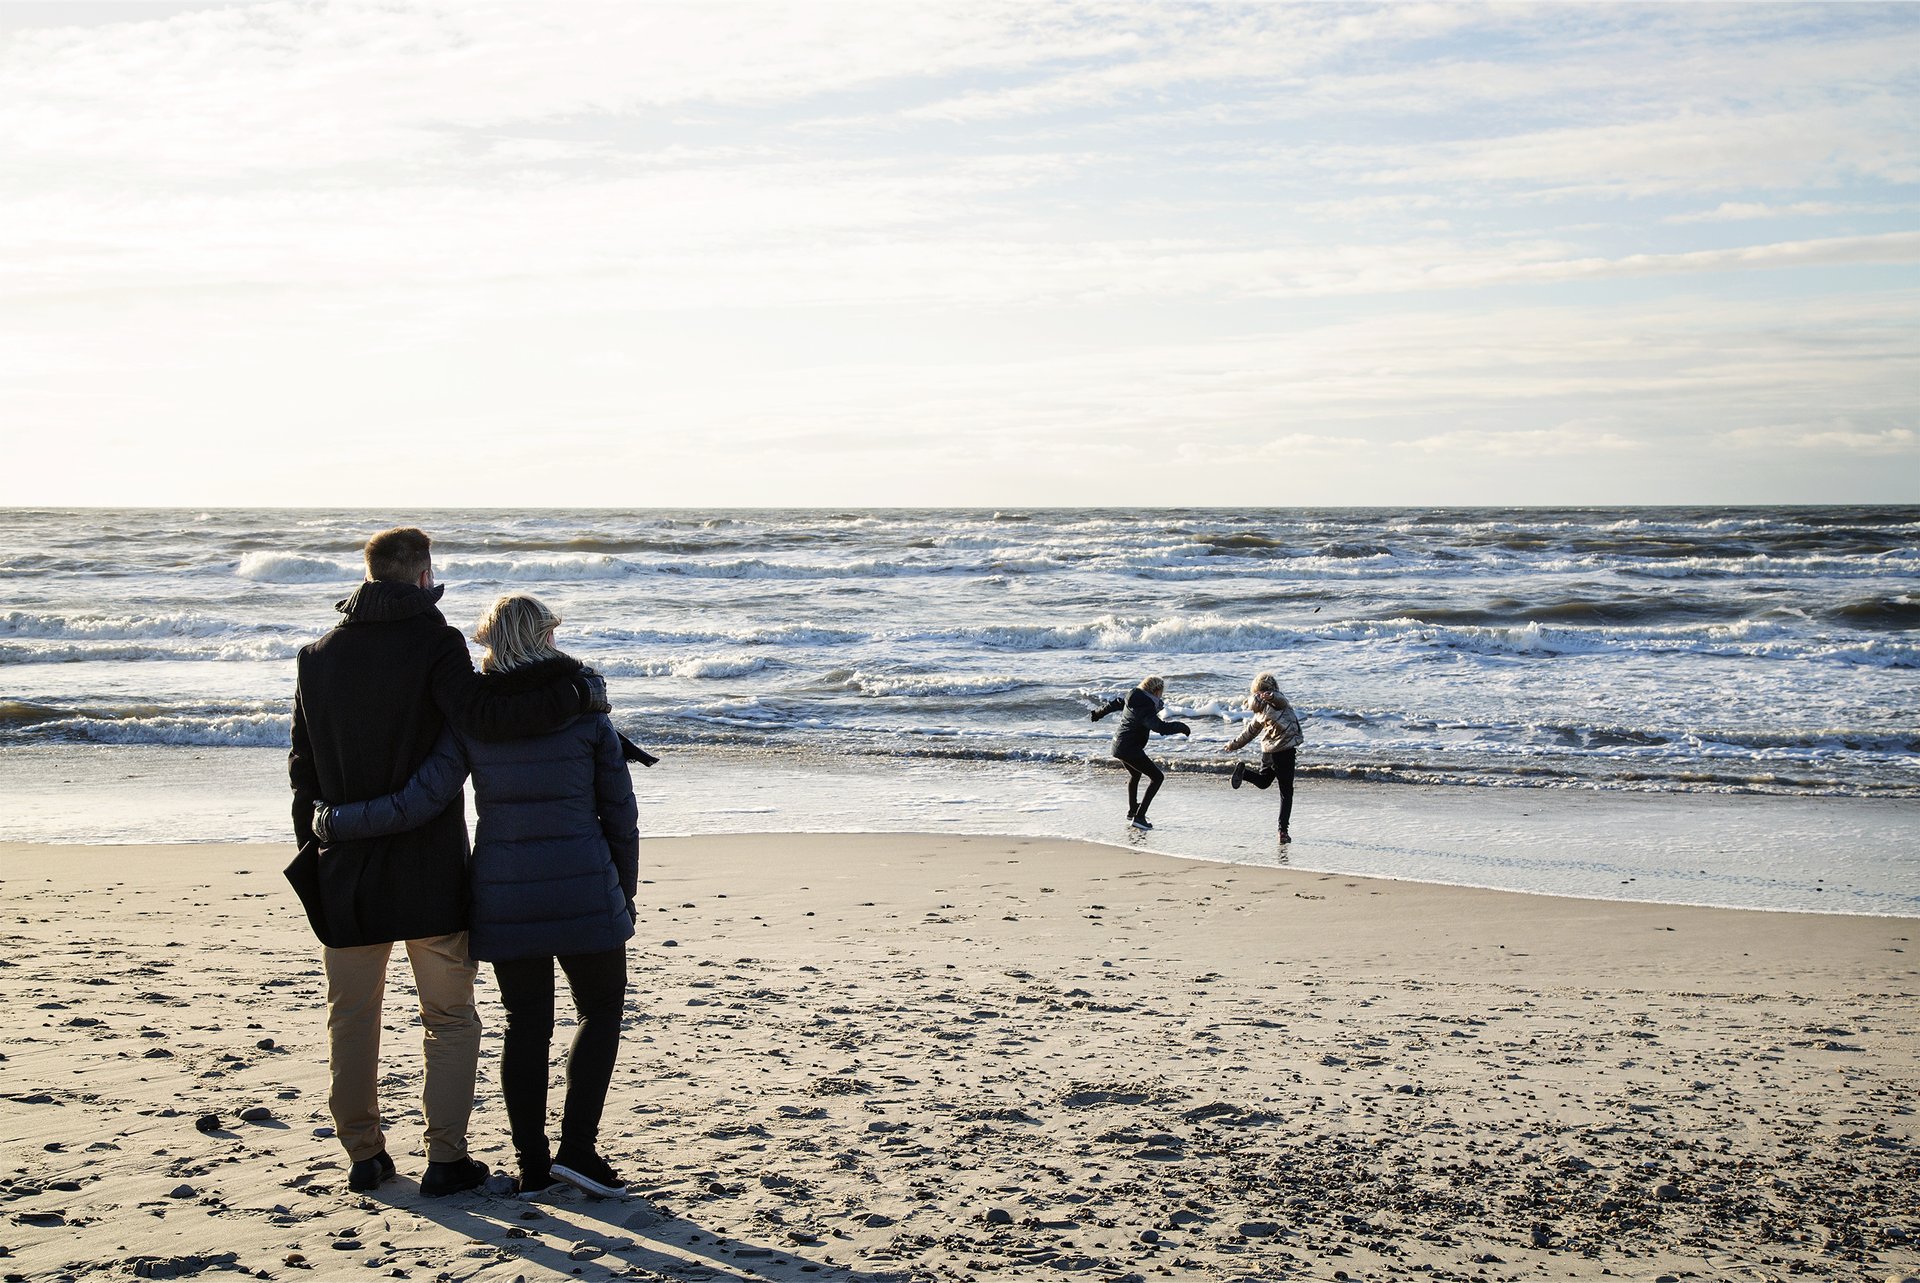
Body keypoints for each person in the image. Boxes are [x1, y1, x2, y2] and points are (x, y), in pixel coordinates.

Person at [286, 527, 609, 1199]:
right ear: (424, 571)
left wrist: (316, 854)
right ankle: (445, 1157)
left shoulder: (315, 657)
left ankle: (366, 1154)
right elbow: (482, 717)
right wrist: (576, 694)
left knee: (351, 1017)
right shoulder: (436, 643)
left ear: (369, 572)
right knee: (451, 1018)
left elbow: (302, 774)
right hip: (428, 870)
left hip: (344, 870)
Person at [1090, 676, 1190, 830]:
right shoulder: (1145, 705)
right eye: (1161, 692)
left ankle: (1132, 811)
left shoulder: (1134, 696)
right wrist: (1181, 727)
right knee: (1157, 777)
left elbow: (1115, 704)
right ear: (1156, 691)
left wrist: (1098, 713)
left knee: (1135, 774)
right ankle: (1140, 817)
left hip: (1118, 744)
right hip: (1129, 748)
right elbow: (1158, 727)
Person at [1225, 673, 1305, 843]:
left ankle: (1244, 773)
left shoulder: (1260, 712)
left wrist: (1233, 744)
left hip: (1268, 751)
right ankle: (1282, 831)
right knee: (1286, 792)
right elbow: (1279, 700)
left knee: (1263, 782)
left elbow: (1249, 733)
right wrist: (1273, 696)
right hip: (1284, 751)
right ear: (1273, 688)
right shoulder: (1279, 701)